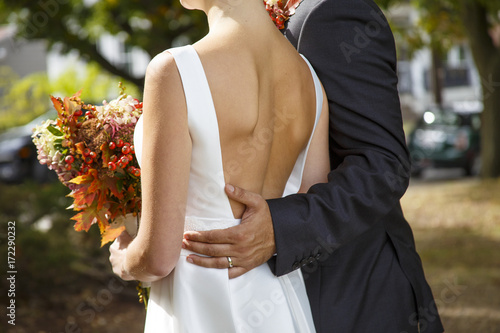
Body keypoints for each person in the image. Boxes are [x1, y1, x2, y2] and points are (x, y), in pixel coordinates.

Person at [181, 0, 445, 332]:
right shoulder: (253, 22)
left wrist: (279, 229)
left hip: (351, 293)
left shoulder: (334, 12)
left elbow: (382, 165)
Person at [109, 0, 330, 331]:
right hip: (280, 304)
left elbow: (157, 259)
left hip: (198, 304)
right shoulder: (310, 80)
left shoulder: (174, 70)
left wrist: (125, 259)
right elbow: (311, 205)